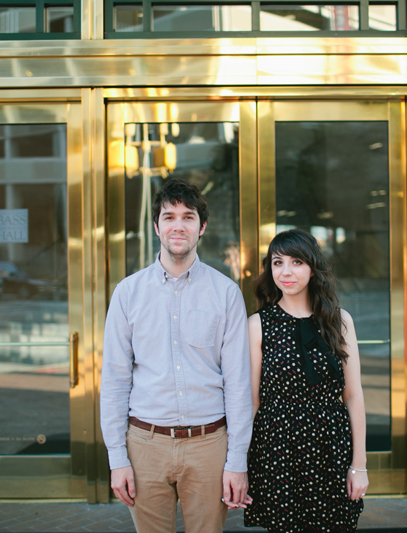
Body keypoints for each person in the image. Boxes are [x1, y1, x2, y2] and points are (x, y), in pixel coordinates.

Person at [100, 177, 253, 533]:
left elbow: (238, 384)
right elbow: (115, 381)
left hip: (209, 446)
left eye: (188, 216)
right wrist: (117, 458)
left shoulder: (226, 293)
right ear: (156, 227)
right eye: (169, 217)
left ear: (202, 227)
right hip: (144, 446)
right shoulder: (127, 293)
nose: (178, 225)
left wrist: (237, 461)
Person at [244, 228, 368, 533]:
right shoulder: (258, 325)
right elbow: (252, 402)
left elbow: (353, 396)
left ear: (313, 268)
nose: (286, 272)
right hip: (277, 451)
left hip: (331, 449)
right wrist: (240, 465)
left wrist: (359, 465)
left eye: (296, 262)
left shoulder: (340, 321)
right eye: (277, 262)